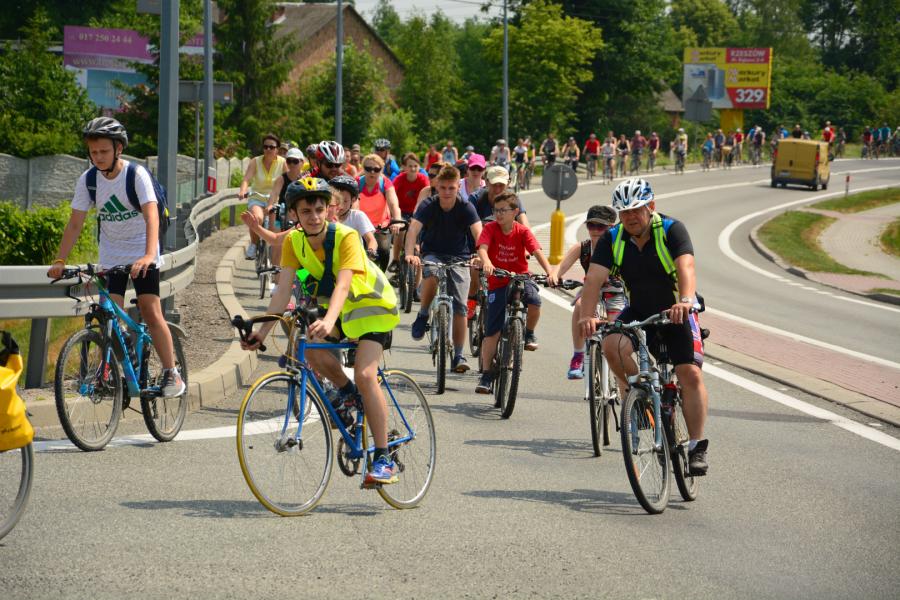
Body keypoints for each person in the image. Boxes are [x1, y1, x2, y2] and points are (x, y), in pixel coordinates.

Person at [240, 177, 401, 485]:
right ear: (294, 214)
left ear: (329, 210)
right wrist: (261, 332)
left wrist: (329, 321)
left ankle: (383, 459)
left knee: (366, 374)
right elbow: (282, 290)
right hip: (340, 310)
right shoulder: (293, 241)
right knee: (312, 349)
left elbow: (343, 284)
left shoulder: (346, 236)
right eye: (305, 211)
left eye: (318, 209)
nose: (313, 216)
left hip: (372, 307)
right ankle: (349, 394)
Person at [578, 178, 709, 476]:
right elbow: (594, 279)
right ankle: (642, 398)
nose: (630, 217)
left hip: (676, 310)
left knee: (689, 373)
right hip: (638, 310)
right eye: (624, 212)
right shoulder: (613, 239)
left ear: (651, 206)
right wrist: (586, 315)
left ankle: (697, 446)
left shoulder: (672, 229)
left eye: (636, 210)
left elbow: (686, 267)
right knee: (611, 345)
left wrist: (685, 301)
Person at [48, 117, 185, 398]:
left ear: (118, 149)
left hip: (143, 250)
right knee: (108, 316)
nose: (98, 157)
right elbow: (75, 224)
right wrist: (60, 259)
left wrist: (149, 255)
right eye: (93, 152)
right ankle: (107, 374)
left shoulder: (136, 175)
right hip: (111, 255)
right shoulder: (89, 180)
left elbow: (151, 216)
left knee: (150, 309)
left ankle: (172, 372)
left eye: (104, 151)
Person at [474, 192, 556, 393]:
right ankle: (486, 374)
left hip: (520, 277)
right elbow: (482, 248)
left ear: (515, 212)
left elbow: (536, 251)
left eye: (503, 210)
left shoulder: (522, 231)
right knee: (492, 331)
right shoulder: (490, 228)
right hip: (498, 281)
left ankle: (528, 333)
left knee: (535, 300)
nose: (499, 214)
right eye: (496, 210)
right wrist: (487, 262)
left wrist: (550, 272)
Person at [405, 166, 483, 374]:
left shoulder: (466, 206)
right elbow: (413, 230)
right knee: (431, 273)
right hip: (433, 253)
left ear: (458, 187)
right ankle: (423, 313)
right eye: (443, 188)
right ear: (436, 187)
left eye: (452, 188)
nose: (447, 192)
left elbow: (479, 233)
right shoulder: (428, 205)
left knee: (461, 307)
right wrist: (410, 253)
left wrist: (480, 255)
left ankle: (458, 355)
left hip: (460, 257)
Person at [551, 205, 625, 379]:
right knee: (579, 305)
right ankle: (578, 356)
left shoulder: (619, 246)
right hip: (591, 292)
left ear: (612, 227)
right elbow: (562, 265)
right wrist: (554, 276)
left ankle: (618, 370)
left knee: (617, 329)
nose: (595, 230)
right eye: (591, 226)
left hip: (616, 293)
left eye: (601, 226)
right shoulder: (583, 247)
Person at [239, 133, 287, 259]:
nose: (268, 149)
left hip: (275, 200)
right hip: (257, 197)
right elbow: (246, 179)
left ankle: (274, 253)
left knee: (275, 226)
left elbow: (288, 180)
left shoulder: (283, 163)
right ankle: (254, 245)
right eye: (265, 147)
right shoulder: (255, 161)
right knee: (257, 218)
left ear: (277, 149)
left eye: (272, 147)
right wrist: (242, 191)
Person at [357, 153, 402, 271]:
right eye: (368, 168)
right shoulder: (357, 183)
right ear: (363, 169)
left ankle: (382, 274)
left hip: (381, 224)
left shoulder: (385, 183)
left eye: (376, 169)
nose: (372, 172)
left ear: (381, 170)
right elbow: (353, 206)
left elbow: (394, 205)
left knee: (384, 250)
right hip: (362, 225)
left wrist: (397, 220)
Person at [266, 146, 305, 268]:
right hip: (283, 215)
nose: (292, 164)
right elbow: (274, 194)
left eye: (295, 161)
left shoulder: (305, 179)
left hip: (300, 215)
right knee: (278, 245)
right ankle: (275, 270)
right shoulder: (281, 179)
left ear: (302, 162)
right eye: (289, 161)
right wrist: (270, 205)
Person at [391, 152, 431, 267]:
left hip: (418, 212)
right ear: (404, 167)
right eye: (410, 166)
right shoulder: (399, 179)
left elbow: (427, 197)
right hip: (402, 211)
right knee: (401, 230)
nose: (413, 169)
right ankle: (395, 260)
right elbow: (391, 196)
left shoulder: (423, 179)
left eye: (415, 166)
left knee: (420, 231)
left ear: (419, 167)